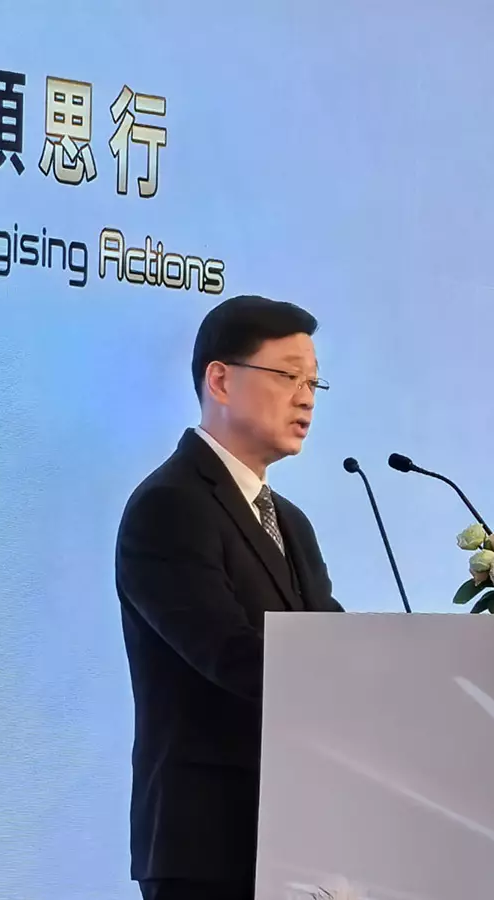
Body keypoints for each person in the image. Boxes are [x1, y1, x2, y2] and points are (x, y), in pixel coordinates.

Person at [116, 294, 344, 900]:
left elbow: (333, 639)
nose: (306, 398)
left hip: (299, 836)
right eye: (289, 376)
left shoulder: (290, 521)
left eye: (314, 383)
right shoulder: (169, 505)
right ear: (220, 380)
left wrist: (395, 668)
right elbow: (228, 654)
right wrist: (350, 676)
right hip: (207, 845)